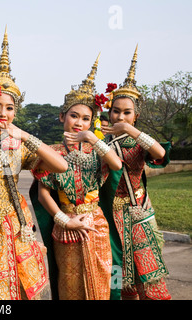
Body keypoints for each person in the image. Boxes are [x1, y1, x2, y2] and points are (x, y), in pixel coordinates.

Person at [0, 27, 68, 300]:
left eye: (10, 108)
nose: (3, 113)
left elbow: (60, 166)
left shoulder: (19, 142)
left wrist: (25, 135)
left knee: (25, 286)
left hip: (17, 224)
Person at [30, 54, 122, 300]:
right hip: (67, 224)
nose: (78, 123)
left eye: (86, 118)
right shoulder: (51, 153)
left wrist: (93, 138)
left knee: (101, 284)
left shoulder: (97, 151)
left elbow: (116, 164)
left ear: (92, 123)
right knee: (69, 285)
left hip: (95, 224)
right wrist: (64, 220)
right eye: (73, 116)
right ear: (62, 116)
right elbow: (43, 194)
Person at [99, 46, 171, 300]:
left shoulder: (141, 142)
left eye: (126, 112)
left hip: (138, 212)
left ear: (135, 116)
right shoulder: (101, 143)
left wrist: (129, 130)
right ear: (109, 112)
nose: (120, 116)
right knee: (121, 278)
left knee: (148, 275)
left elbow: (160, 154)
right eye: (116, 111)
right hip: (111, 214)